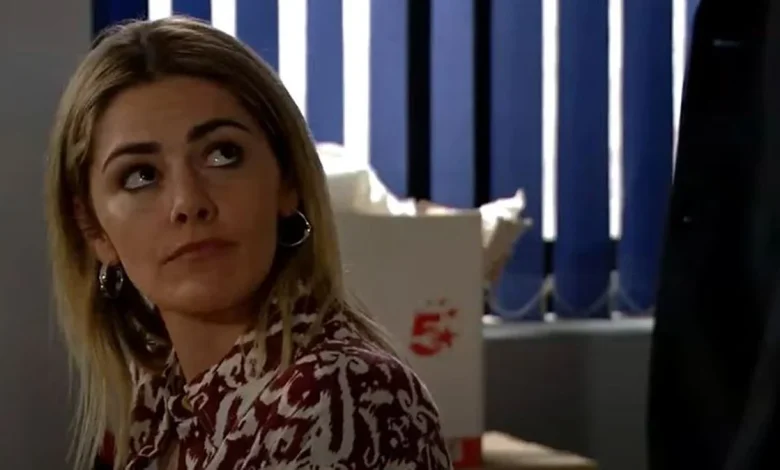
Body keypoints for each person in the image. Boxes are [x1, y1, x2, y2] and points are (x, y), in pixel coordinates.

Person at [45, 16, 451, 470]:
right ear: (94, 229)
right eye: (141, 175)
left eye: (223, 154)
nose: (188, 203)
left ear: (287, 181)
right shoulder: (158, 402)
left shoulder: (347, 397)